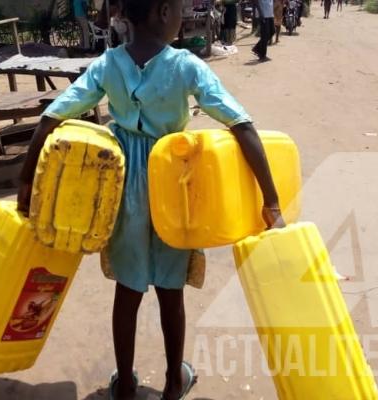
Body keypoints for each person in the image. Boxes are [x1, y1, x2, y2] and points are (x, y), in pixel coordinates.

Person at [17, 0, 285, 399]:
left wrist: (26, 185)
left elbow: (51, 119)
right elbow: (241, 125)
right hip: (176, 187)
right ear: (162, 12)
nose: (182, 16)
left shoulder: (108, 64)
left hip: (122, 186)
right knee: (169, 291)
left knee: (128, 291)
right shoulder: (186, 66)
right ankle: (174, 383)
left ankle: (125, 384)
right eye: (179, 9)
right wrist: (272, 201)